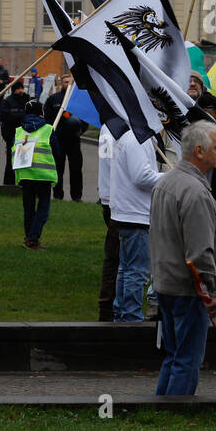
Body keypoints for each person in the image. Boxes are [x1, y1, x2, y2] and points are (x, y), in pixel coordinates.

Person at [149, 121, 216, 396]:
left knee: (173, 354)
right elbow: (200, 251)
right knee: (187, 358)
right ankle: (177, 415)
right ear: (199, 151)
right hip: (189, 289)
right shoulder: (195, 192)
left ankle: (161, 411)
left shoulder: (166, 182)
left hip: (165, 282)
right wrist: (212, 292)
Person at [111, 128, 163, 322]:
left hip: (128, 212)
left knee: (126, 269)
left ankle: (122, 312)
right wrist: (172, 176)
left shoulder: (129, 136)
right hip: (136, 215)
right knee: (136, 271)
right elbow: (142, 177)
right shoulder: (137, 139)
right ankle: (130, 316)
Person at [13, 98, 58, 249]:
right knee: (43, 209)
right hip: (43, 174)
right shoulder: (48, 129)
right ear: (41, 114)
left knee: (29, 209)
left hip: (25, 175)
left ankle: (29, 237)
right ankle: (33, 238)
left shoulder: (19, 131)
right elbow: (56, 150)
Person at [45, 74, 88, 201]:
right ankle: (58, 195)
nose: (67, 84)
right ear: (60, 83)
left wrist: (80, 131)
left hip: (74, 140)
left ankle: (76, 196)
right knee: (58, 169)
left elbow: (84, 118)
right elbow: (47, 118)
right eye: (65, 82)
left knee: (76, 169)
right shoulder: (53, 100)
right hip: (58, 140)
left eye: (70, 82)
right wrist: (51, 134)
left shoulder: (77, 101)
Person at [96, 122, 118, 321]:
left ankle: (108, 303)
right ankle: (109, 304)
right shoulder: (118, 129)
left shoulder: (107, 127)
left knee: (114, 257)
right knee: (116, 258)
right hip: (117, 201)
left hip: (108, 196)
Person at [0, 81, 30, 186]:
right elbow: (6, 117)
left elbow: (30, 115)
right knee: (11, 160)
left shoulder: (27, 100)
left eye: (22, 88)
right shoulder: (7, 101)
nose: (21, 91)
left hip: (25, 135)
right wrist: (21, 116)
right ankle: (8, 184)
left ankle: (22, 182)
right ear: (14, 90)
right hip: (11, 134)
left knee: (25, 160)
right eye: (18, 89)